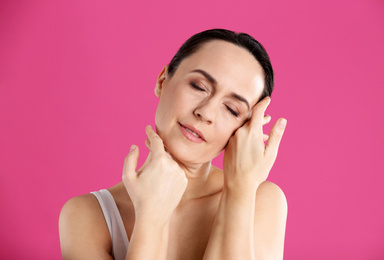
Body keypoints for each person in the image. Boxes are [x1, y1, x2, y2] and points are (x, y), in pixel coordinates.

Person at [59, 28, 288, 260]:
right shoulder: (87, 214)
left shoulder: (262, 201)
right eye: (198, 86)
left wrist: (239, 192)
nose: (205, 112)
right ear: (162, 81)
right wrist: (151, 218)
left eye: (232, 109)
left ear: (246, 129)